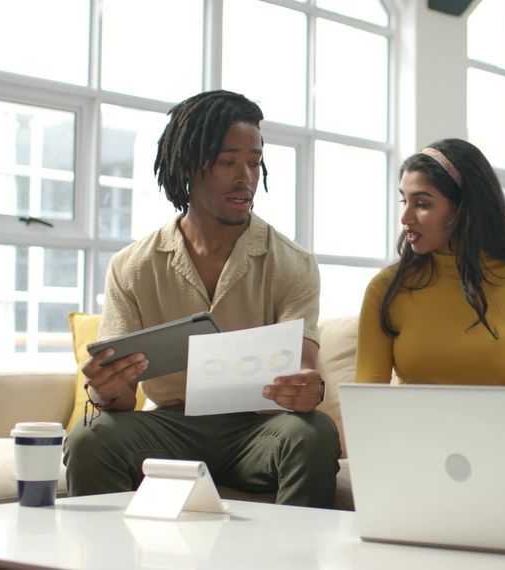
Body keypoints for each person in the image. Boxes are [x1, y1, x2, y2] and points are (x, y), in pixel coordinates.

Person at [64, 90, 341, 507]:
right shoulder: (132, 266)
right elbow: (119, 401)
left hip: (258, 430)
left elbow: (305, 367)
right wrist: (107, 389)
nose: (245, 177)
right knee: (90, 438)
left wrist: (306, 389)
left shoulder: (294, 263)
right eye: (229, 162)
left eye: (254, 161)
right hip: (172, 426)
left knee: (313, 432)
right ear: (189, 166)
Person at [356, 138, 505, 386]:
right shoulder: (385, 288)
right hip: (411, 425)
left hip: (500, 426)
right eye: (405, 200)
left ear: (465, 208)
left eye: (422, 204)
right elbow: (368, 402)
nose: (405, 217)